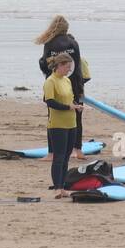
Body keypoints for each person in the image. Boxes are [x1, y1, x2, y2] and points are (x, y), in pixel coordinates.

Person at [35, 15, 85, 158]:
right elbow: (78, 65)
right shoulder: (74, 43)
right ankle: (78, 150)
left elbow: (46, 65)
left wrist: (42, 64)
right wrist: (80, 86)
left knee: (53, 117)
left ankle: (51, 153)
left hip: (56, 83)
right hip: (74, 83)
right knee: (77, 116)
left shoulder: (50, 43)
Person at [43, 52, 81, 196]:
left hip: (71, 123)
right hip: (57, 124)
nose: (69, 70)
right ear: (59, 65)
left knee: (66, 157)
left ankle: (63, 187)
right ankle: (57, 187)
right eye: (67, 67)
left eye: (70, 68)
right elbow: (50, 101)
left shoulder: (67, 80)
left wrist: (76, 106)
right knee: (58, 157)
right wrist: (67, 107)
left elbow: (69, 100)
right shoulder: (50, 81)